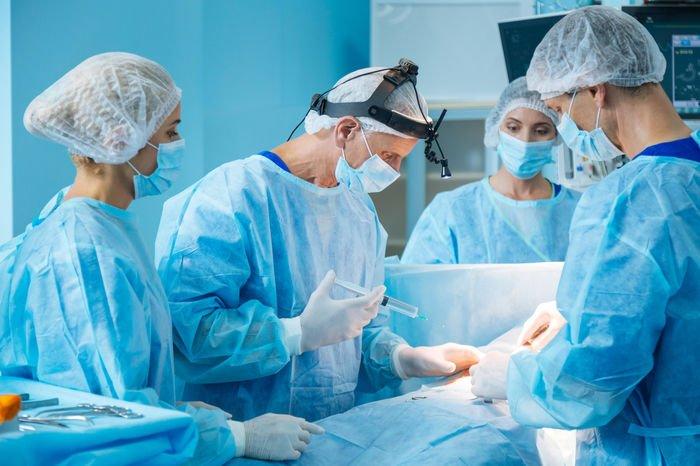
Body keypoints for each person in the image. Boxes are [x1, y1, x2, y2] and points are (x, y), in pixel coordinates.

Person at [0, 52, 322, 463]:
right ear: (120, 140)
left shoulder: (101, 225)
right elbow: (110, 421)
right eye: (170, 131)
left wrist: (176, 412)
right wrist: (237, 437)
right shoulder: (85, 255)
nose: (177, 145)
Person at [155, 66, 481, 422]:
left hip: (332, 433)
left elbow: (358, 333)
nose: (395, 171)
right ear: (346, 130)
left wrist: (400, 359)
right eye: (389, 156)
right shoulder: (230, 198)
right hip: (243, 433)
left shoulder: (359, 211)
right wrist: (295, 333)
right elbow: (188, 336)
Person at [469, 7, 700, 465]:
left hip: (655, 451)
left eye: (558, 111)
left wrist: (512, 378)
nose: (565, 130)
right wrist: (578, 309)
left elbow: (594, 378)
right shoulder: (685, 180)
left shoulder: (630, 201)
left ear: (596, 90)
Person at [402, 77, 580, 264]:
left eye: (541, 131)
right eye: (513, 127)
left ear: (556, 136)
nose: (525, 141)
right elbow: (417, 278)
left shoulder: (579, 209)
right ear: (497, 129)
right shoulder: (452, 210)